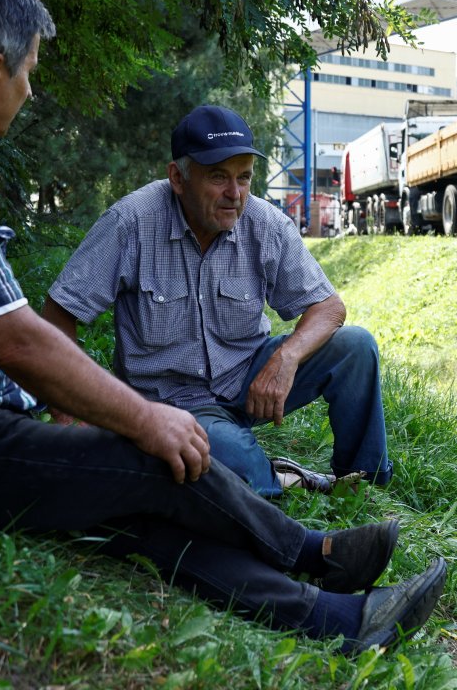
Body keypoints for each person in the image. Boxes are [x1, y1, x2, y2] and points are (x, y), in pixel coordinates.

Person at [0, 0, 445, 654]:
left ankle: (341, 620)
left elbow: (325, 307)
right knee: (153, 461)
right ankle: (316, 554)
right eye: (28, 70)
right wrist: (140, 416)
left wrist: (267, 365)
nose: (30, 88)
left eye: (240, 178)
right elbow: (18, 338)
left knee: (138, 507)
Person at [40, 105, 392, 497]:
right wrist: (69, 412)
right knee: (231, 458)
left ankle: (365, 484)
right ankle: (278, 479)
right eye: (218, 177)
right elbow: (59, 313)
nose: (234, 194)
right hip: (174, 403)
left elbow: (329, 308)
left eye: (244, 178)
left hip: (249, 379)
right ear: (178, 177)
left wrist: (284, 360)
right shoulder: (131, 223)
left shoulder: (266, 223)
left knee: (356, 347)